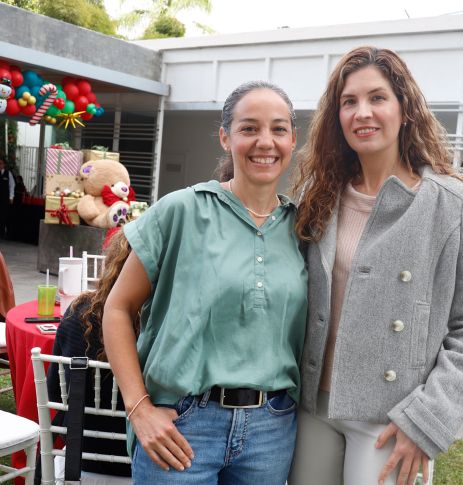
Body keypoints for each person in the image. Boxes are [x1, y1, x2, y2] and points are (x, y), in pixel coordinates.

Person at [288, 46, 463, 485]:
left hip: (392, 420)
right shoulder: (320, 196)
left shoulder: (452, 202)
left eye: (377, 98)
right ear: (336, 116)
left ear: (405, 108)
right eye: (349, 102)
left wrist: (427, 422)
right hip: (313, 410)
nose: (362, 112)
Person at [102, 81, 308, 484]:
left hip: (272, 429)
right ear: (225, 136)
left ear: (293, 139)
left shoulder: (304, 229)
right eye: (249, 128)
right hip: (183, 425)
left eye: (278, 129)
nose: (265, 141)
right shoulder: (182, 210)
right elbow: (117, 309)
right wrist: (139, 408)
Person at [46, 229, 135, 477]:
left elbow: (55, 392)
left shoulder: (78, 313)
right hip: (141, 461)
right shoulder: (160, 324)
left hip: (79, 455)